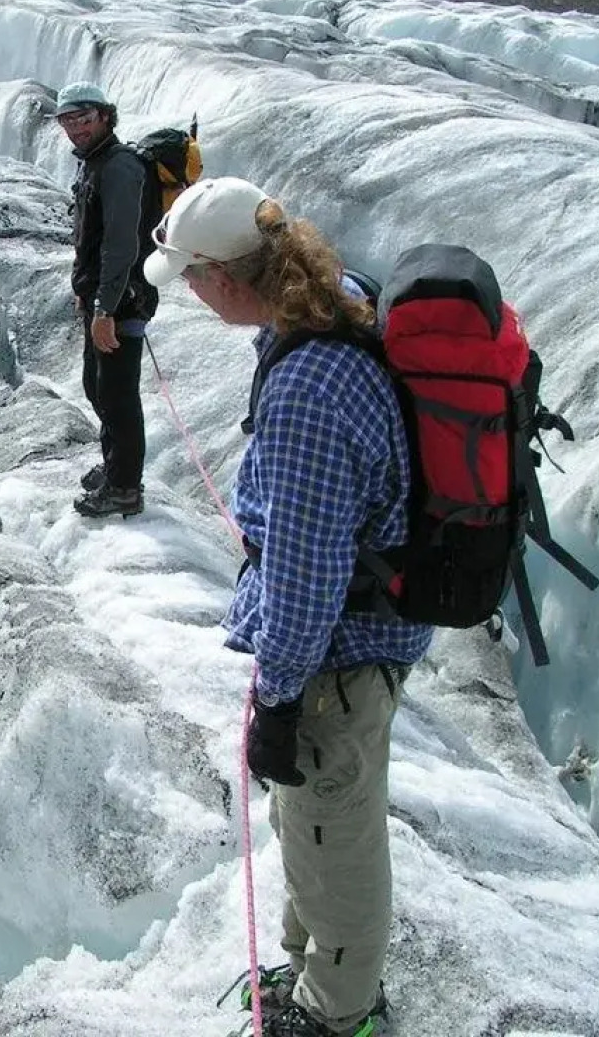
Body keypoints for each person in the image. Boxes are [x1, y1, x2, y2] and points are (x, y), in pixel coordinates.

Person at [143, 177, 434, 1037]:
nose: (190, 295)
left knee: (333, 833)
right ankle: (317, 971)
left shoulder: (309, 389)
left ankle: (340, 1013)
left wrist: (276, 695)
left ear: (231, 276)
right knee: (312, 820)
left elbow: (307, 577)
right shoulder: (332, 303)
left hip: (336, 659)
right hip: (351, 642)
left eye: (193, 279)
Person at [55, 82, 159, 518]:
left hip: (121, 301)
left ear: (104, 116)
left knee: (116, 395)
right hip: (101, 297)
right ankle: (115, 466)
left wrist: (105, 309)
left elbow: (121, 245)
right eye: (67, 120)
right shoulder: (95, 164)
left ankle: (124, 489)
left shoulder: (118, 167)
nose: (75, 127)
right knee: (97, 386)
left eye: (83, 117)